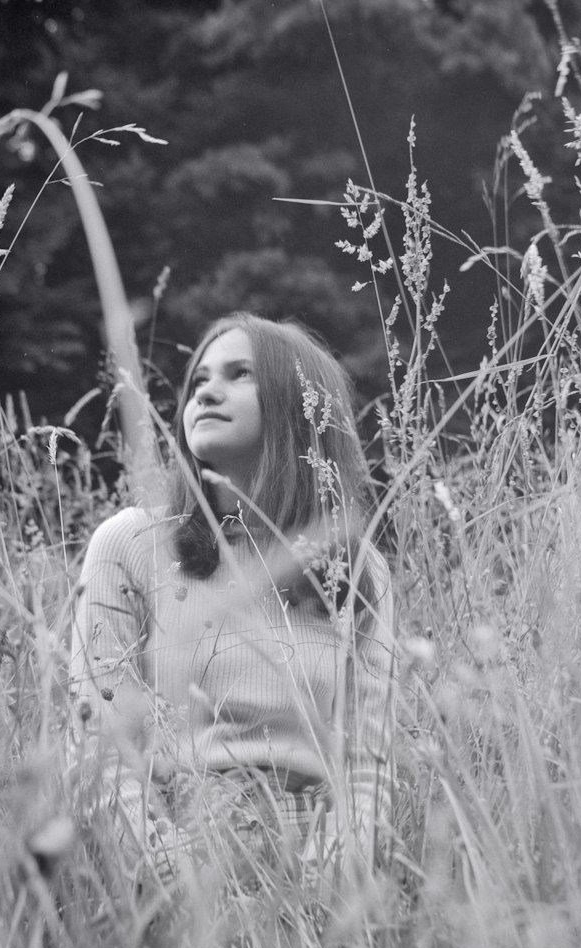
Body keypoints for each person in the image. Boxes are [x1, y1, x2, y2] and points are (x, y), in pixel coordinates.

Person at [69, 312, 394, 893]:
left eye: (239, 374)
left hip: (319, 861)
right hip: (175, 848)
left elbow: (369, 765)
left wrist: (324, 884)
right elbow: (100, 745)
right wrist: (173, 877)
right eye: (199, 382)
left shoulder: (357, 569)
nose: (206, 392)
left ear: (300, 407)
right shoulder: (132, 544)